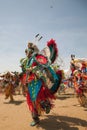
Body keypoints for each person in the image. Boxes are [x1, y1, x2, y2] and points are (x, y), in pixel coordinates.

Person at [20, 39, 62, 126]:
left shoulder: (38, 57)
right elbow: (25, 72)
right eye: (26, 51)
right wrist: (25, 80)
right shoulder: (27, 61)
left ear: (31, 51)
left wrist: (33, 69)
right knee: (31, 101)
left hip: (38, 80)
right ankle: (35, 118)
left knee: (40, 97)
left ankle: (46, 104)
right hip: (30, 82)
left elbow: (45, 65)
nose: (26, 53)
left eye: (27, 51)